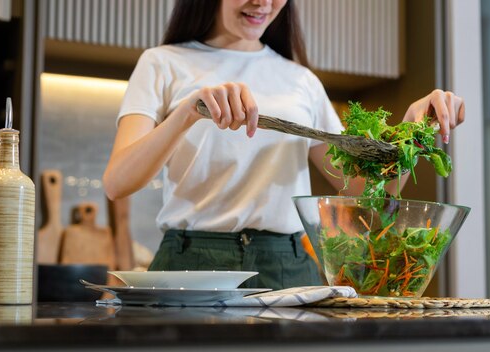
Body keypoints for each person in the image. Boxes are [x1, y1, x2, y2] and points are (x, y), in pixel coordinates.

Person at [102, 0, 465, 290]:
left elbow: (364, 193)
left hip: (288, 269)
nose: (263, 3)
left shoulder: (301, 80)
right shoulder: (163, 63)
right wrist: (188, 112)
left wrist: (412, 133)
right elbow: (118, 182)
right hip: (192, 264)